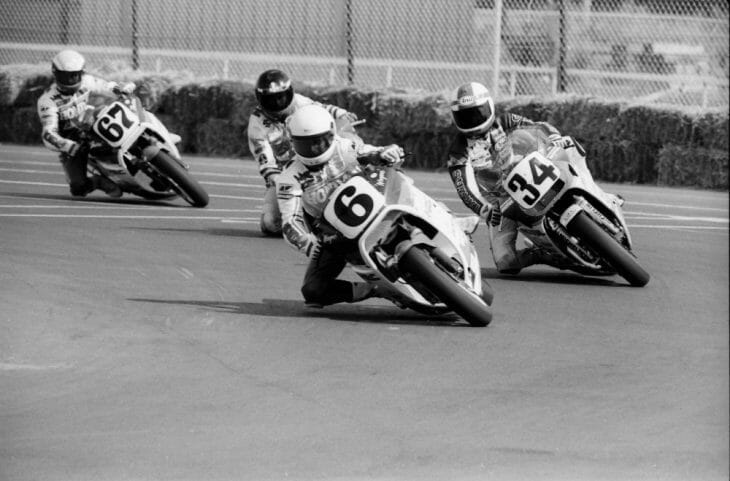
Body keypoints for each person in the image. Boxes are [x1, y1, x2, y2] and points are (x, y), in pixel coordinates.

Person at [446, 81, 613, 274]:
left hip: (533, 167)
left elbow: (538, 127)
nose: (472, 120)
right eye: (465, 116)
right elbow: (464, 188)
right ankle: (541, 254)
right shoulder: (457, 151)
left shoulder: (505, 120)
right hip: (501, 199)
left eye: (476, 113)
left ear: (489, 106)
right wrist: (484, 209)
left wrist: (553, 137)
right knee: (505, 262)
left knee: (570, 145)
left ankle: (600, 194)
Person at [276, 104, 404, 308]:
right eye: (305, 144)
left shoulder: (344, 146)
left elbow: (372, 151)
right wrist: (308, 243)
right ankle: (375, 289)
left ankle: (449, 218)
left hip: (375, 206)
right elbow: (290, 222)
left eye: (319, 141)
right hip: (335, 235)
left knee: (397, 176)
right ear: (293, 144)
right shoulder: (288, 177)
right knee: (313, 291)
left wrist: (388, 152)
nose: (314, 149)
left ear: (332, 134)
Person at [247, 69, 359, 237]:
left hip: (317, 163)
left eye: (281, 97)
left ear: (290, 92)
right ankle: (304, 219)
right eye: (270, 100)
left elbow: (322, 109)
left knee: (348, 137)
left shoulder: (299, 103)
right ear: (260, 99)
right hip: (288, 174)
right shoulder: (257, 124)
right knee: (271, 223)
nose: (278, 103)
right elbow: (268, 166)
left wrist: (342, 114)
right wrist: (286, 184)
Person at [37, 49, 136, 198]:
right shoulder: (47, 101)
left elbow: (107, 86)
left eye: (74, 75)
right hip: (73, 142)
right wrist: (68, 146)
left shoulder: (87, 81)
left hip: (92, 124)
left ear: (81, 73)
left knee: (124, 107)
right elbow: (49, 133)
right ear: (55, 74)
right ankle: (97, 181)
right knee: (78, 189)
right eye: (65, 76)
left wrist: (120, 88)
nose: (70, 80)